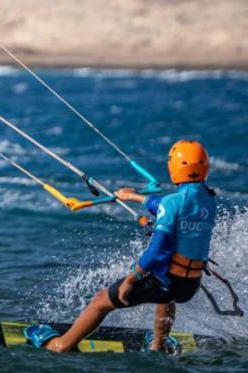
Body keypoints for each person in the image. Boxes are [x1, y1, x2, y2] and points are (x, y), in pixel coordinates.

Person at [27, 140, 216, 353]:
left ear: (173, 169)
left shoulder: (172, 203)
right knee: (167, 297)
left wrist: (131, 279)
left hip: (167, 282)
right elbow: (167, 208)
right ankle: (157, 345)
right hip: (189, 286)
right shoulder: (208, 200)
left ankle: (60, 345)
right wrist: (135, 197)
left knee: (100, 301)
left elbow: (156, 251)